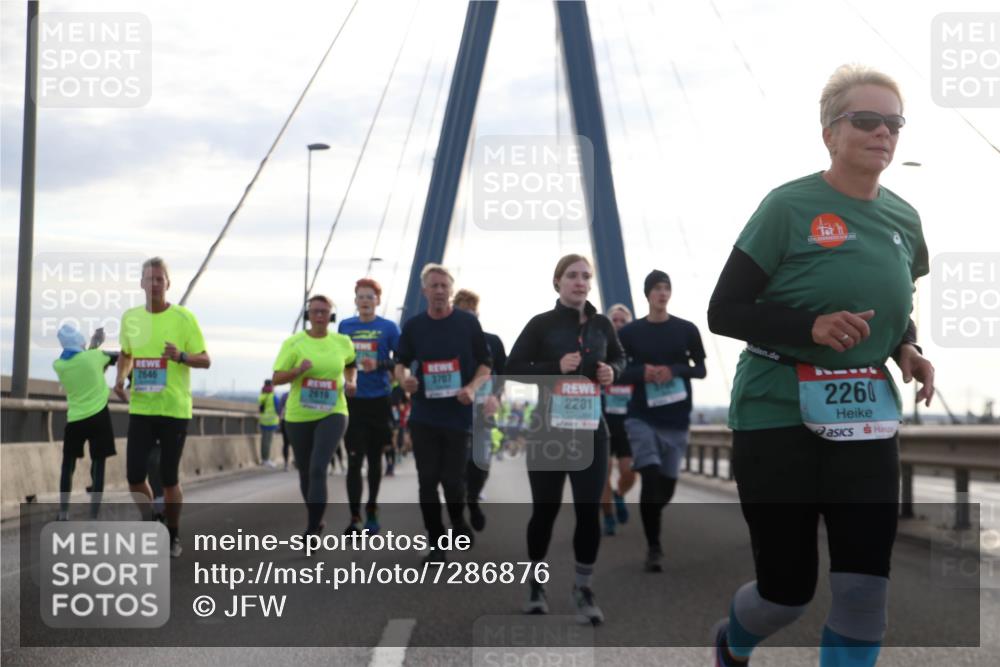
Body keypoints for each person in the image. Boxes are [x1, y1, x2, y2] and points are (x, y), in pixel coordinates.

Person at [706, 65, 934, 667]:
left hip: (865, 419)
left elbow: (892, 309)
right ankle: (733, 641)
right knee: (786, 593)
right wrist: (811, 327)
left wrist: (905, 348)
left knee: (864, 594)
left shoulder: (905, 220)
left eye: (894, 123)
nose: (883, 132)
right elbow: (724, 310)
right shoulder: (787, 206)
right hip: (777, 415)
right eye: (866, 120)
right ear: (830, 133)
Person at [506, 254, 625, 625]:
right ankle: (536, 585)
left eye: (585, 276)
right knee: (546, 511)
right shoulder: (541, 325)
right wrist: (552, 368)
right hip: (548, 432)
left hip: (592, 431)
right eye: (572, 276)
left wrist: (611, 371)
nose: (579, 282)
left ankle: (582, 587)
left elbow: (621, 359)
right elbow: (511, 369)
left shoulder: (603, 325)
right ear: (557, 282)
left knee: (589, 511)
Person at [395, 264, 492, 562]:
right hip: (424, 415)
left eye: (443, 286)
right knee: (427, 481)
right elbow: (399, 362)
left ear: (450, 290)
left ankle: (459, 521)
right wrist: (404, 380)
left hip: (458, 415)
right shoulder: (413, 327)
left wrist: (473, 388)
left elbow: (485, 365)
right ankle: (436, 543)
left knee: (452, 481)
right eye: (433, 286)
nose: (439, 291)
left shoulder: (467, 324)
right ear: (424, 291)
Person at [115, 257, 211, 558]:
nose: (154, 284)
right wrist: (120, 378)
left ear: (168, 284)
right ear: (141, 283)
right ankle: (151, 521)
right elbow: (126, 354)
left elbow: (205, 359)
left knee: (169, 478)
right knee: (134, 477)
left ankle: (172, 534)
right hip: (142, 407)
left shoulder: (184, 318)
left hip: (174, 409)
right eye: (149, 278)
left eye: (160, 279)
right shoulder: (131, 318)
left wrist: (181, 356)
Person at [617, 271, 706, 572]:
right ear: (647, 294)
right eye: (657, 288)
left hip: (677, 418)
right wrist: (641, 373)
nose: (662, 293)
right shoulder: (629, 334)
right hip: (641, 416)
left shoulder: (686, 329)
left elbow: (701, 370)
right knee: (650, 476)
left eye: (667, 288)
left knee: (665, 489)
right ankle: (654, 547)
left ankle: (651, 515)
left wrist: (675, 370)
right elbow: (616, 371)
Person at [273, 294, 355, 540]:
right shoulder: (294, 343)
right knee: (306, 472)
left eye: (324, 311)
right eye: (315, 311)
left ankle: (311, 530)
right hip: (299, 415)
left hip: (333, 412)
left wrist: (351, 382)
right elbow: (277, 377)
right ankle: (316, 520)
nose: (319, 315)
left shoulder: (343, 342)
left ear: (331, 315)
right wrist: (298, 371)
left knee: (319, 468)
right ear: (308, 315)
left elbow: (351, 364)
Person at [338, 278, 401, 534]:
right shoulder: (345, 326)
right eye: (361, 297)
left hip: (379, 400)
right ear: (355, 301)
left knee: (375, 460)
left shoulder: (388, 328)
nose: (365, 301)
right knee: (354, 461)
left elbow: (401, 361)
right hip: (353, 401)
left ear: (378, 300)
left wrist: (380, 365)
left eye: (370, 297)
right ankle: (354, 517)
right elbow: (338, 358)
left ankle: (372, 510)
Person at [452, 288, 507, 532]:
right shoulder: (447, 341)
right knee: (457, 465)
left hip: (483, 411)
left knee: (481, 463)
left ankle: (473, 501)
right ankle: (460, 515)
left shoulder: (492, 341)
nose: (468, 319)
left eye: (472, 314)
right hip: (453, 412)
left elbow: (503, 373)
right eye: (463, 313)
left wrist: (496, 397)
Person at [53, 325, 118, 520]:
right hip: (99, 416)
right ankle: (93, 514)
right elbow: (116, 357)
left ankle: (63, 512)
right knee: (99, 465)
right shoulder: (94, 357)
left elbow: (83, 359)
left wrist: (93, 345)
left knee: (68, 465)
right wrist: (96, 344)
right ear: (81, 342)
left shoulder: (59, 365)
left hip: (76, 419)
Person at [600, 303, 637, 537]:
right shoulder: (599, 350)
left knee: (629, 472)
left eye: (623, 321)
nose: (619, 324)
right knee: (603, 473)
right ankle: (609, 517)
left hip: (628, 422)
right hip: (602, 420)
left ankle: (620, 494)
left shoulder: (635, 354)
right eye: (615, 320)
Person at [258, 379, 280, 468]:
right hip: (271, 422)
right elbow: (278, 408)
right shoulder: (273, 396)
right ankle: (266, 460)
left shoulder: (262, 396)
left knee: (263, 441)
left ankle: (263, 459)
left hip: (263, 421)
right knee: (268, 442)